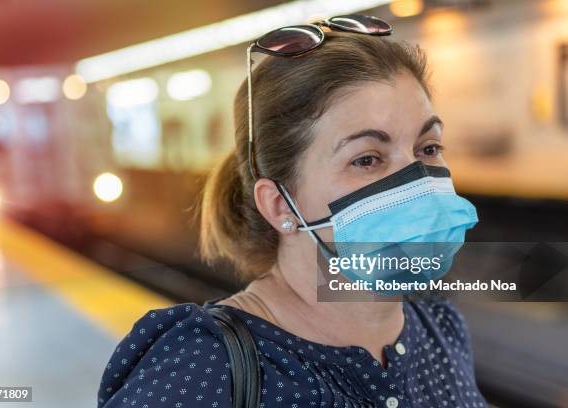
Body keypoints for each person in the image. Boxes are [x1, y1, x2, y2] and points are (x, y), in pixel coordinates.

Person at [98, 15, 486, 408]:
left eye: (428, 148)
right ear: (281, 205)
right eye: (367, 159)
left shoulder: (441, 329)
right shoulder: (204, 369)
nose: (416, 180)